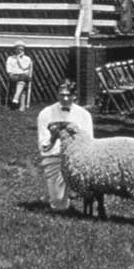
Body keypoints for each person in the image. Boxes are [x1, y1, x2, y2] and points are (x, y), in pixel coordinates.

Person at [36, 80, 95, 213]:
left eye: (69, 95)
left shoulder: (84, 115)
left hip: (78, 160)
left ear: (75, 96)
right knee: (58, 204)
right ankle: (62, 195)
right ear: (57, 94)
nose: (65, 98)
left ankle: (80, 193)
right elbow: (44, 146)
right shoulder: (46, 114)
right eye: (62, 94)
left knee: (94, 188)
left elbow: (89, 141)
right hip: (55, 158)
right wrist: (54, 138)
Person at [4, 43, 34, 110]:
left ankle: (16, 98)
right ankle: (21, 105)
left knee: (22, 78)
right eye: (18, 49)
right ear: (15, 50)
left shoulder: (27, 58)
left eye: (21, 49)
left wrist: (18, 59)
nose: (20, 51)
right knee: (22, 83)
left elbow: (24, 68)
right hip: (14, 76)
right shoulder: (10, 58)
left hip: (24, 76)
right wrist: (10, 73)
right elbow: (8, 68)